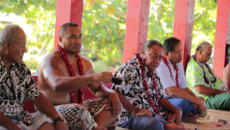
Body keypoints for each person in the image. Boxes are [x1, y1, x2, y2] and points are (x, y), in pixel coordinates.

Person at [38, 22, 121, 130]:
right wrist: (91, 77)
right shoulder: (51, 60)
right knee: (79, 110)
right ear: (61, 39)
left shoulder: (85, 63)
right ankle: (94, 127)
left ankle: (95, 127)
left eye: (80, 37)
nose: (78, 41)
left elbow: (97, 89)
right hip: (51, 110)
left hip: (79, 108)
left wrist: (112, 93)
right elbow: (56, 85)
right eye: (73, 37)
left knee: (112, 104)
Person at [0, 24, 68, 130]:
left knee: (50, 122)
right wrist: (15, 128)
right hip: (4, 124)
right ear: (7, 46)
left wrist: (57, 119)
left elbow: (36, 95)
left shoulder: (20, 67)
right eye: (22, 46)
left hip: (20, 120)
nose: (25, 50)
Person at [112, 40, 186, 130]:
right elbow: (115, 91)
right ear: (143, 53)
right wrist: (135, 110)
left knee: (177, 109)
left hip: (152, 110)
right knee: (154, 124)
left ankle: (167, 125)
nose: (157, 61)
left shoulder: (153, 69)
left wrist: (175, 111)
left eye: (160, 58)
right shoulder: (130, 68)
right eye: (154, 56)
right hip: (130, 115)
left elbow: (161, 97)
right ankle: (166, 126)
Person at [156, 37, 207, 123]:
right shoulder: (161, 66)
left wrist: (199, 102)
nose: (181, 54)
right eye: (177, 52)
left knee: (201, 100)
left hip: (174, 98)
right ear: (166, 54)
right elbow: (173, 92)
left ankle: (183, 116)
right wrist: (197, 103)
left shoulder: (178, 65)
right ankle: (185, 118)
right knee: (183, 102)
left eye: (181, 51)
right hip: (162, 101)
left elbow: (184, 88)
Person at [186, 41, 230, 110]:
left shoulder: (202, 64)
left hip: (217, 95)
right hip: (206, 99)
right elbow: (200, 90)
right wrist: (221, 92)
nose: (209, 57)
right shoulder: (194, 67)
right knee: (229, 98)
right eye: (208, 55)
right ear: (200, 52)